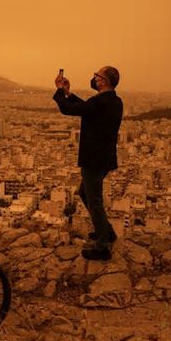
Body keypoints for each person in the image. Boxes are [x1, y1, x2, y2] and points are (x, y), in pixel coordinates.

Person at [53, 66, 123, 260]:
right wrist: (69, 93)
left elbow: (68, 110)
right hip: (104, 158)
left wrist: (59, 90)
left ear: (104, 81)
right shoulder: (115, 102)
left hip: (93, 159)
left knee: (95, 200)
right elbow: (87, 109)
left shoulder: (100, 102)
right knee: (85, 193)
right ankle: (106, 231)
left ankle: (102, 246)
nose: (94, 78)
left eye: (97, 76)